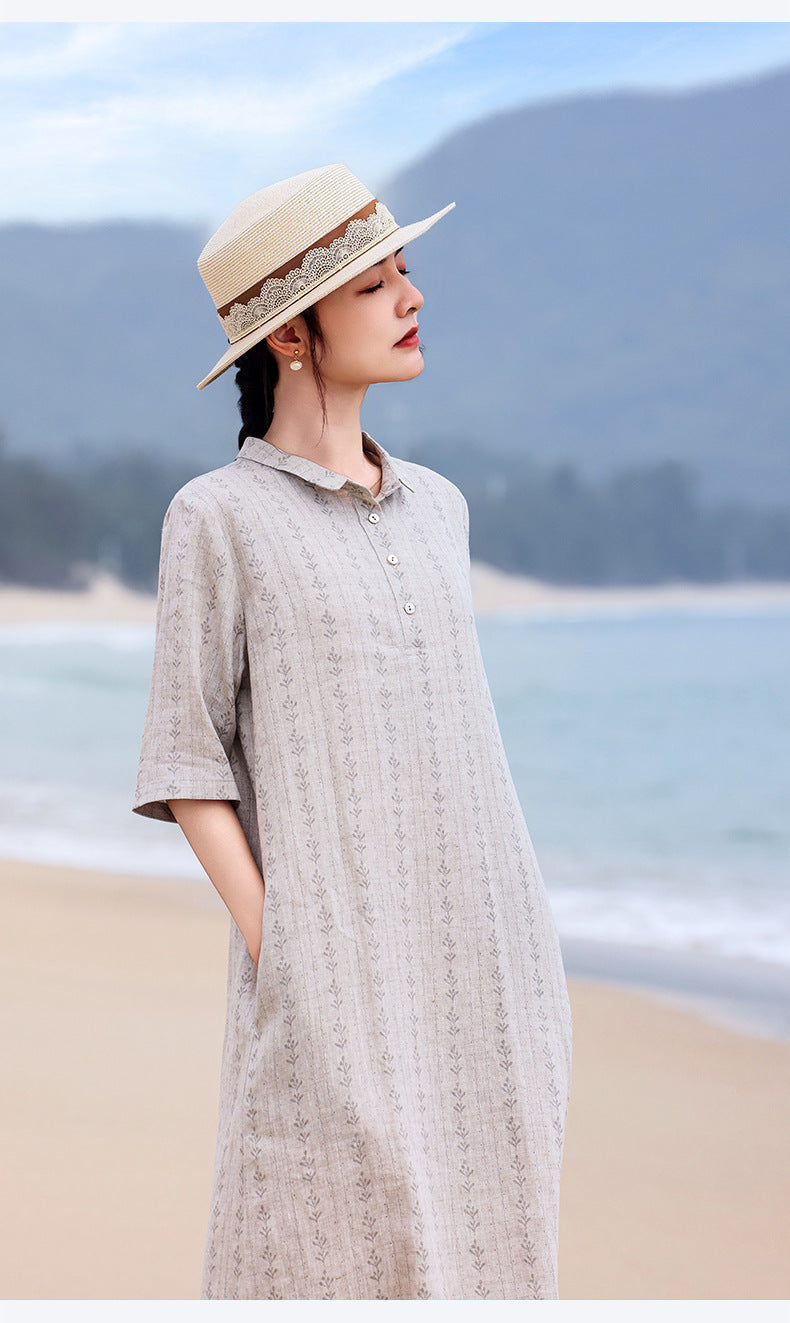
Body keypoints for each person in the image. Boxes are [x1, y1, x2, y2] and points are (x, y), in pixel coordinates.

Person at [133, 163, 573, 1301]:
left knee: (491, 1249)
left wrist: (522, 944)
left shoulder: (440, 508)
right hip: (329, 965)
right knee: (316, 1241)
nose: (411, 298)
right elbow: (187, 761)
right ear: (290, 335)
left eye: (404, 272)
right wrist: (286, 948)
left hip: (488, 958)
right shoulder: (217, 518)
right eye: (374, 285)